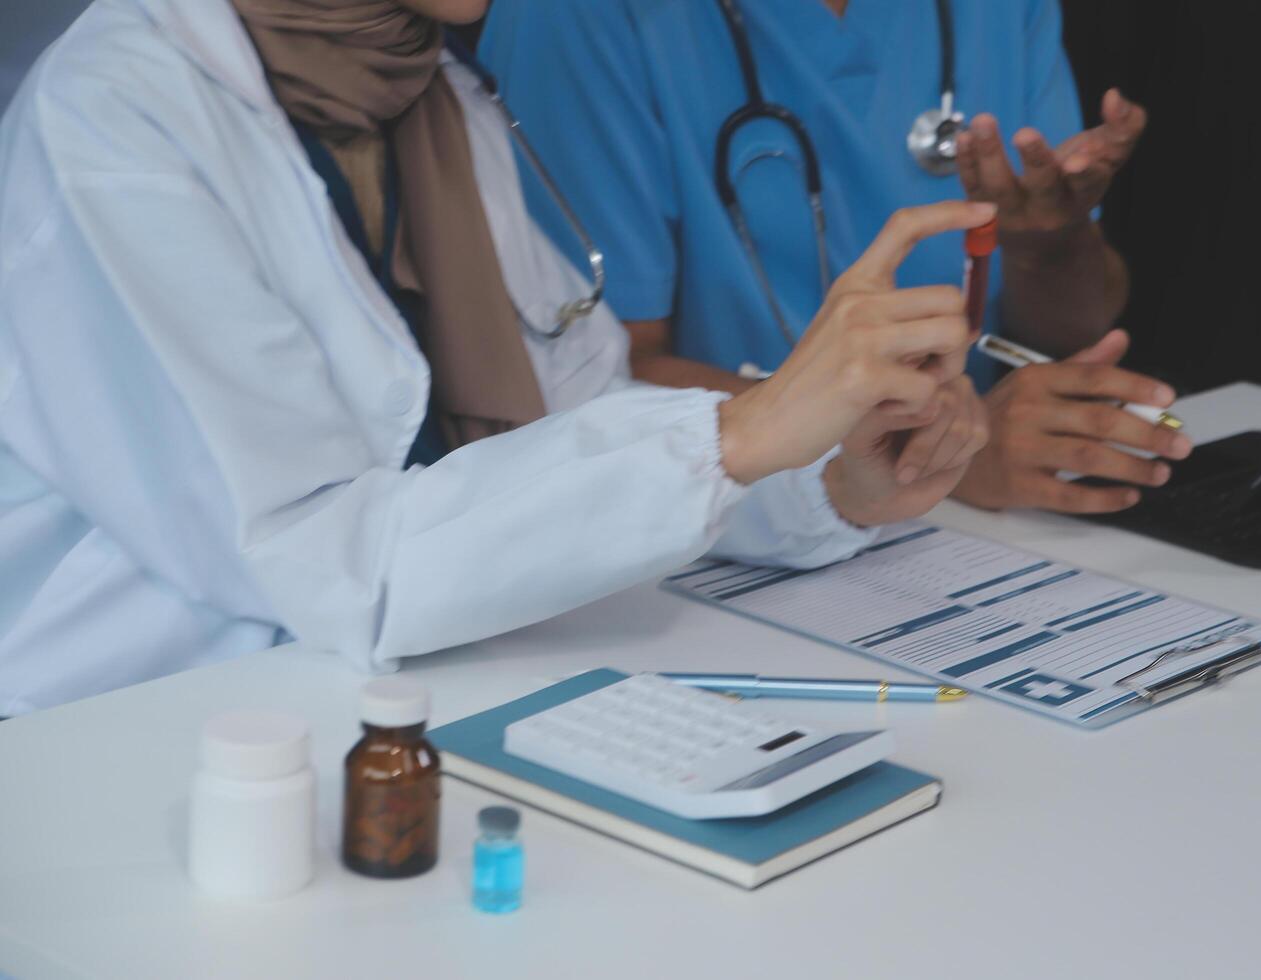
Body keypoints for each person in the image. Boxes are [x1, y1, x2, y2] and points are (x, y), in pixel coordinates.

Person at [0, 0, 994, 716]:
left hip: (411, 684)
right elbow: (321, 556)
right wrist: (747, 430)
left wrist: (828, 477)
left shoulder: (431, 95)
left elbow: (575, 414)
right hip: (136, 724)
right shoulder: (116, 115)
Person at [479, 0, 1196, 518]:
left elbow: (1070, 327)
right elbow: (589, 381)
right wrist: (936, 446)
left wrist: (1050, 240)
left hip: (973, 520)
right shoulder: (573, 17)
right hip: (713, 535)